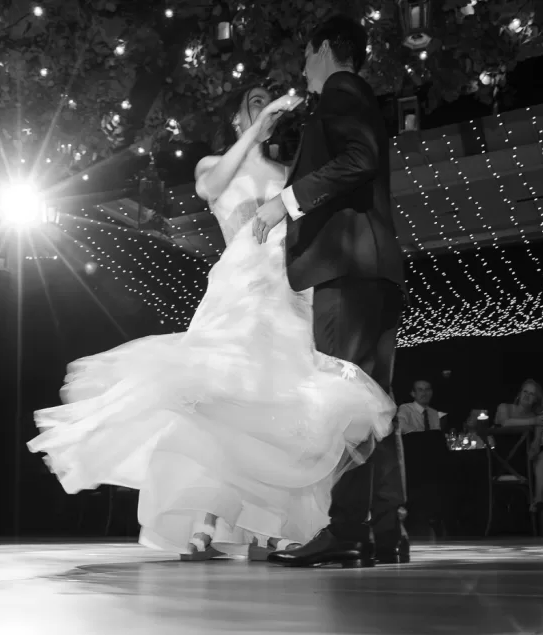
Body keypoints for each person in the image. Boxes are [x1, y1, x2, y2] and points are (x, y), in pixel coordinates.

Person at [28, 84, 395, 561]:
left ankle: (270, 526)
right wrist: (255, 132)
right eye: (255, 100)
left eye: (269, 100)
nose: (265, 104)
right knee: (219, 400)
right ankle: (205, 520)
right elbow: (210, 189)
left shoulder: (288, 171)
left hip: (288, 291)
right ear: (239, 118)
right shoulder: (212, 165)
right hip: (240, 288)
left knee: (276, 408)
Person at [255, 15, 408, 568]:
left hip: (349, 269)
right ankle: (384, 531)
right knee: (372, 405)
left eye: (304, 53)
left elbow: (359, 158)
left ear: (322, 48)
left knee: (348, 401)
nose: (301, 66)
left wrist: (286, 202)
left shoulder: (342, 89)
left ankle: (347, 532)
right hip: (371, 269)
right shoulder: (354, 94)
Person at [494, 379, 543, 536]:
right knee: (541, 473)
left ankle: (539, 502)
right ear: (519, 394)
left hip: (525, 461)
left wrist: (537, 430)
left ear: (536, 399)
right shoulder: (505, 407)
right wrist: (535, 421)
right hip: (504, 462)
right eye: (525, 392)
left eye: (532, 394)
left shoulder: (537, 417)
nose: (527, 396)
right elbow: (505, 422)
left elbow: (536, 446)